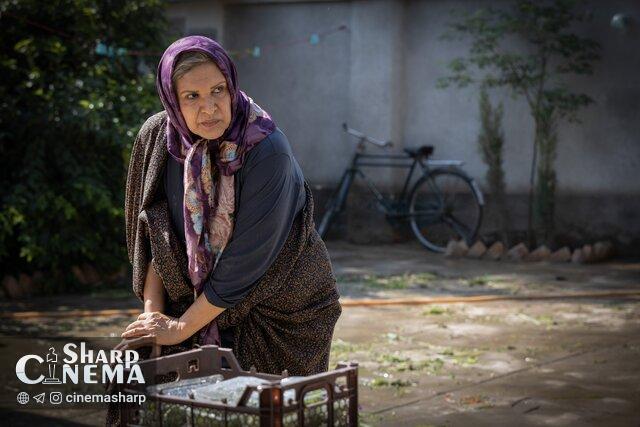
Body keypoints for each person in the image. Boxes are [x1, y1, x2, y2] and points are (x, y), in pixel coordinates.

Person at [119, 36, 341, 375]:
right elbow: (154, 230)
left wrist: (179, 329)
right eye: (191, 96)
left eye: (218, 91)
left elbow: (244, 262)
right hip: (190, 302)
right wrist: (153, 316)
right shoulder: (159, 138)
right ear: (171, 100)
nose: (209, 108)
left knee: (258, 410)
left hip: (277, 311)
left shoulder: (266, 150)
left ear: (232, 85)